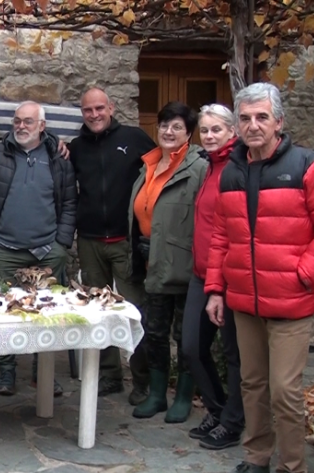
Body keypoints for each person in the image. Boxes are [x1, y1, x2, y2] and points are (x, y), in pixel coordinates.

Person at [205, 83, 314, 473]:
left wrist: (304, 273)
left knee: (284, 390)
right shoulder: (232, 172)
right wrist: (215, 289)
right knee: (252, 384)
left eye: (262, 117)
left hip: (290, 300)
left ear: (278, 122)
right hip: (244, 300)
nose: (253, 125)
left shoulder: (310, 166)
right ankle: (257, 456)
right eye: (246, 118)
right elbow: (221, 235)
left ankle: (292, 466)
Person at [0, 101, 76, 396]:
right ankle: (6, 372)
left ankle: (41, 373)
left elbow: (69, 203)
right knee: (3, 312)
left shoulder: (59, 157)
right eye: (17, 120)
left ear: (42, 126)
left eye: (28, 121)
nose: (21, 126)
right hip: (5, 249)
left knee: (46, 314)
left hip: (47, 251)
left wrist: (62, 244)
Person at [68, 87, 156, 405]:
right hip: (90, 240)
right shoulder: (76, 148)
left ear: (111, 108)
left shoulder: (135, 138)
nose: (94, 115)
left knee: (134, 311)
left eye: (99, 108)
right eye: (88, 110)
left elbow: (160, 173)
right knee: (98, 310)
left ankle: (143, 380)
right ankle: (109, 375)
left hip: (125, 240)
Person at [128, 101, 208, 423]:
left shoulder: (198, 168)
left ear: (189, 134)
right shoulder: (148, 165)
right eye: (164, 125)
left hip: (186, 265)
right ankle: (157, 394)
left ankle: (184, 397)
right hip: (153, 262)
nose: (169, 131)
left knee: (185, 337)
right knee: (155, 332)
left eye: (177, 127)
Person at [181, 104, 244, 450]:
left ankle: (233, 422)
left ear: (232, 131)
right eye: (204, 130)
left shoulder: (238, 167)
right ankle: (218, 409)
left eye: (216, 129)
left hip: (230, 276)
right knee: (191, 347)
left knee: (234, 354)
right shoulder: (209, 166)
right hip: (201, 273)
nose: (209, 136)